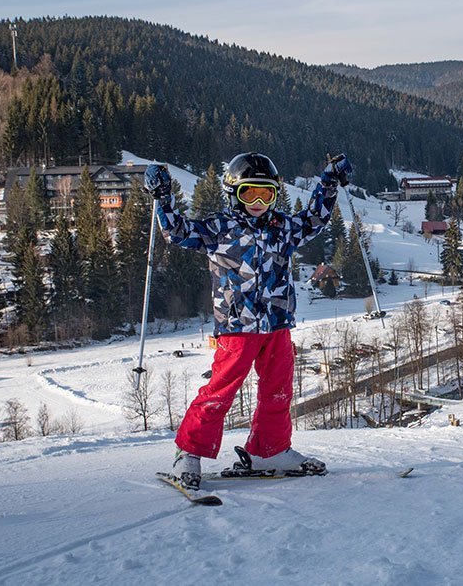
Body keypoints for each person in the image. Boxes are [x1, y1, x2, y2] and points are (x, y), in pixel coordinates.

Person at [144, 151, 352, 489]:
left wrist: (329, 182)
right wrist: (162, 198)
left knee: (279, 389)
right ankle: (189, 453)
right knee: (221, 391)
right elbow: (176, 231)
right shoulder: (218, 228)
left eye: (266, 193)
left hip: (278, 323)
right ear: (233, 193)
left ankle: (269, 450)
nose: (258, 201)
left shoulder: (283, 227)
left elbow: (314, 219)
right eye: (249, 193)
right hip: (238, 326)